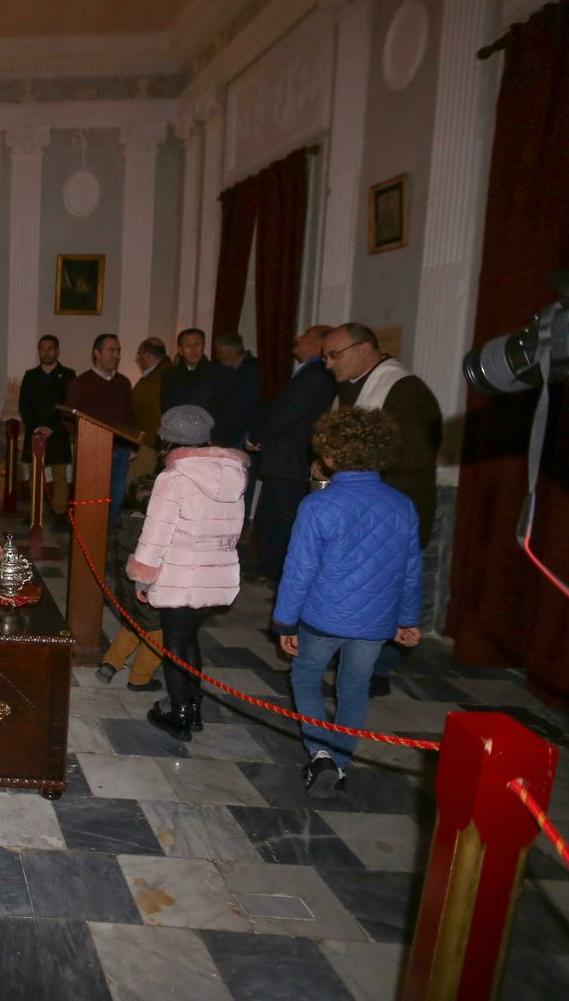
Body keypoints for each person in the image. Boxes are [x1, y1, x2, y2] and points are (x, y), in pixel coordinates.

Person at [274, 407, 421, 798]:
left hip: (323, 616)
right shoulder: (403, 505)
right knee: (355, 688)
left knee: (305, 676)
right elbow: (410, 568)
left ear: (331, 454)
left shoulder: (318, 506)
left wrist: (285, 621)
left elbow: (299, 570)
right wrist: (407, 618)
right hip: (376, 622)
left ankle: (319, 750)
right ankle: (339, 764)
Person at [322, 323, 441, 696]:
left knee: (382, 594)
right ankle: (352, 660)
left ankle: (376, 670)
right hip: (360, 512)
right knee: (353, 589)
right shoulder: (349, 387)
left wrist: (350, 462)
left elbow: (416, 453)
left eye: (333, 355)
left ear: (363, 349)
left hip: (391, 513)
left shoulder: (406, 390)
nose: (328, 364)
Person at [126, 405, 250, 741]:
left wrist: (143, 575)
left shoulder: (174, 478)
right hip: (217, 572)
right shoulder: (234, 474)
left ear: (166, 438)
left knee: (176, 642)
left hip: (181, 574)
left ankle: (179, 713)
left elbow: (156, 532)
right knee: (189, 638)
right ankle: (191, 707)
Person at [247, 325, 335, 582]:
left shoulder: (317, 375)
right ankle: (271, 570)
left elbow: (287, 414)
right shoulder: (308, 372)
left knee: (286, 521)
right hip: (281, 459)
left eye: (305, 336)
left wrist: (257, 436)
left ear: (318, 344)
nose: (298, 339)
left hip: (291, 460)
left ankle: (285, 578)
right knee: (270, 518)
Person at [96, 465, 164, 692]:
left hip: (128, 592)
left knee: (132, 628)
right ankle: (140, 679)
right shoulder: (151, 532)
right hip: (148, 594)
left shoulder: (128, 522)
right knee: (156, 636)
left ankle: (110, 663)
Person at [64, 333, 135, 531]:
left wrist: (133, 444)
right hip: (92, 452)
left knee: (117, 496)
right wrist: (82, 441)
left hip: (120, 450)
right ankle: (90, 539)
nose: (116, 355)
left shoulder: (123, 383)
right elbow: (69, 418)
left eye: (118, 350)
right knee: (91, 500)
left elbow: (129, 416)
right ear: (97, 353)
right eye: (111, 350)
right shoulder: (80, 383)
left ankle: (107, 538)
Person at [18, 334, 77, 517]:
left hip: (58, 431)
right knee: (34, 474)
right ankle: (36, 512)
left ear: (57, 351)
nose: (46, 352)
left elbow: (70, 405)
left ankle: (60, 513)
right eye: (42, 349)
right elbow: (24, 405)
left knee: (60, 474)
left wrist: (52, 427)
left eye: (50, 348)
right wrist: (37, 427)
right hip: (35, 431)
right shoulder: (30, 375)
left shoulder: (69, 375)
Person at [160, 328, 236, 446]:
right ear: (180, 350)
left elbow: (227, 411)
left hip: (211, 440)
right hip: (178, 440)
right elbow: (166, 409)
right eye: (187, 346)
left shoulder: (221, 373)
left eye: (197, 345)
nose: (193, 350)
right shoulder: (169, 376)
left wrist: (216, 439)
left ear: (204, 346)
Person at [130, 337, 170, 480]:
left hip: (148, 443)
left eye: (139, 355)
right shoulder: (164, 374)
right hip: (155, 443)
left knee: (140, 486)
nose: (137, 359)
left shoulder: (155, 381)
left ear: (147, 355)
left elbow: (150, 415)